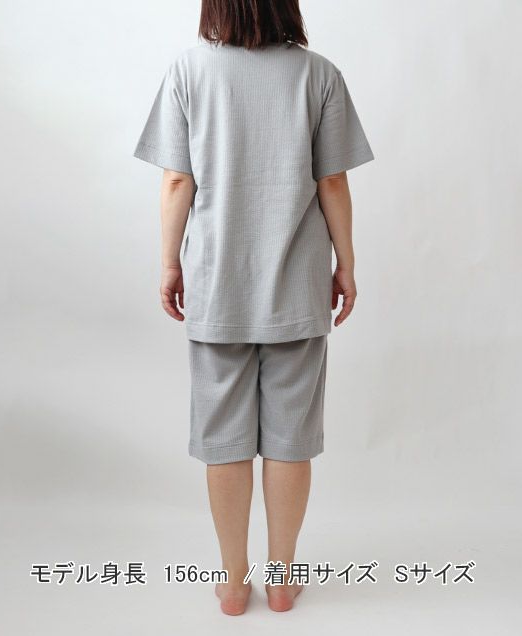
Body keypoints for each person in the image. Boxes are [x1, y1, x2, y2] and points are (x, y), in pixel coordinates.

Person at [133, 0, 374, 616]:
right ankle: (284, 579)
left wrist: (169, 263)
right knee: (291, 438)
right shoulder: (319, 74)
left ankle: (235, 584)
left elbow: (177, 181)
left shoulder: (189, 72)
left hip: (217, 283)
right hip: (296, 285)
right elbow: (333, 182)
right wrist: (345, 264)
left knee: (225, 440)